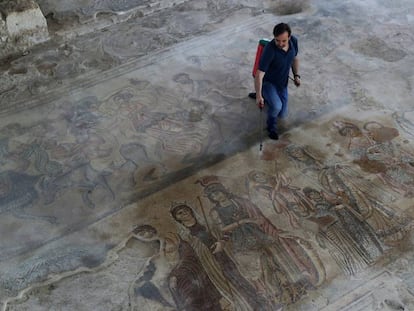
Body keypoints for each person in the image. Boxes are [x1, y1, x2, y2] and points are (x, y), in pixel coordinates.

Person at [253, 23, 301, 140]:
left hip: (282, 83)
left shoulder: (294, 41)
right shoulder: (270, 50)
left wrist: (296, 75)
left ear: (289, 37)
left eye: (283, 41)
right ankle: (271, 128)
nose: (280, 44)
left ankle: (267, 97)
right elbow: (259, 74)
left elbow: (294, 58)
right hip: (268, 82)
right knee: (276, 107)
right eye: (277, 40)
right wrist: (259, 96)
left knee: (282, 114)